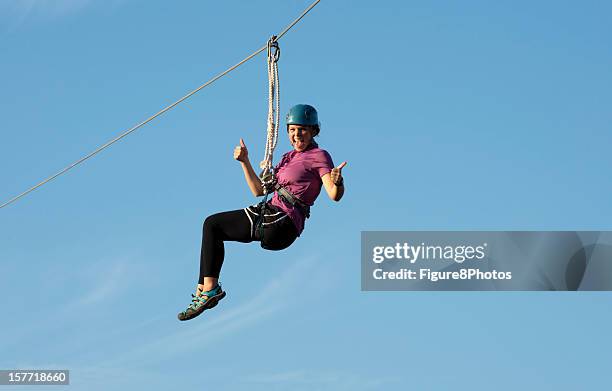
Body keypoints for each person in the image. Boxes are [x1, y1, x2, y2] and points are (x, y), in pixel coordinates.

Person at [178, 104, 347, 321]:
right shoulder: (287, 158)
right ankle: (204, 290)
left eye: (303, 129)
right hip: (269, 215)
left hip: (281, 221)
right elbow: (258, 190)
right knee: (212, 225)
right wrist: (244, 161)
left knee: (213, 225)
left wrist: (338, 181)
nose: (297, 135)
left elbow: (334, 194)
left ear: (314, 130)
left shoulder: (319, 156)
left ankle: (210, 290)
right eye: (293, 130)